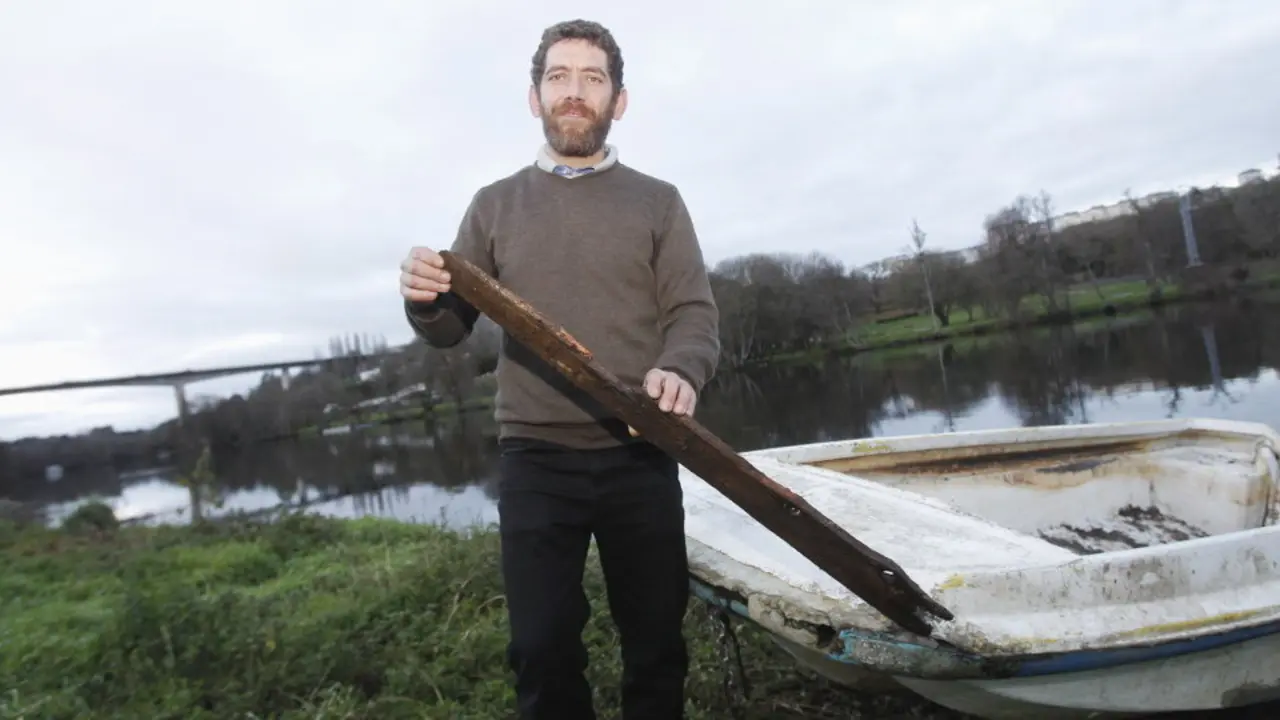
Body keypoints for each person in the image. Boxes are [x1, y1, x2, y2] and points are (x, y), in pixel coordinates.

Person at [397, 18, 720, 720]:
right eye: (559, 77)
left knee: (658, 646)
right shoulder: (493, 205)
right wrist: (423, 299)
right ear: (535, 97)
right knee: (541, 652)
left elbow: (693, 313)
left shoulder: (659, 201)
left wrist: (681, 369)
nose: (575, 93)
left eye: (592, 79)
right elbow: (452, 327)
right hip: (536, 459)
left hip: (641, 451)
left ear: (619, 102)